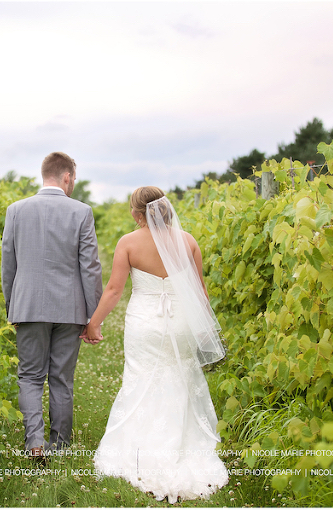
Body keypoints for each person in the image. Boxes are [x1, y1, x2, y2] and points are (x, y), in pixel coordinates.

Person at [82, 186, 228, 503]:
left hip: (145, 323)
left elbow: (113, 290)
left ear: (137, 214)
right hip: (181, 323)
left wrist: (93, 323)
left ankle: (138, 451)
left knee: (141, 377)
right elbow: (200, 292)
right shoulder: (187, 241)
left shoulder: (128, 243)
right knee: (181, 378)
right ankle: (180, 449)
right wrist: (204, 330)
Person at [1, 152, 103, 460]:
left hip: (28, 305)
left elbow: (9, 263)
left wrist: (12, 307)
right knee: (62, 378)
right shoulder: (82, 212)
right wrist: (92, 315)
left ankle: (34, 442)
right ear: (68, 177)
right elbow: (91, 268)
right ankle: (59, 445)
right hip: (70, 309)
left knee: (30, 376)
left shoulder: (15, 210)